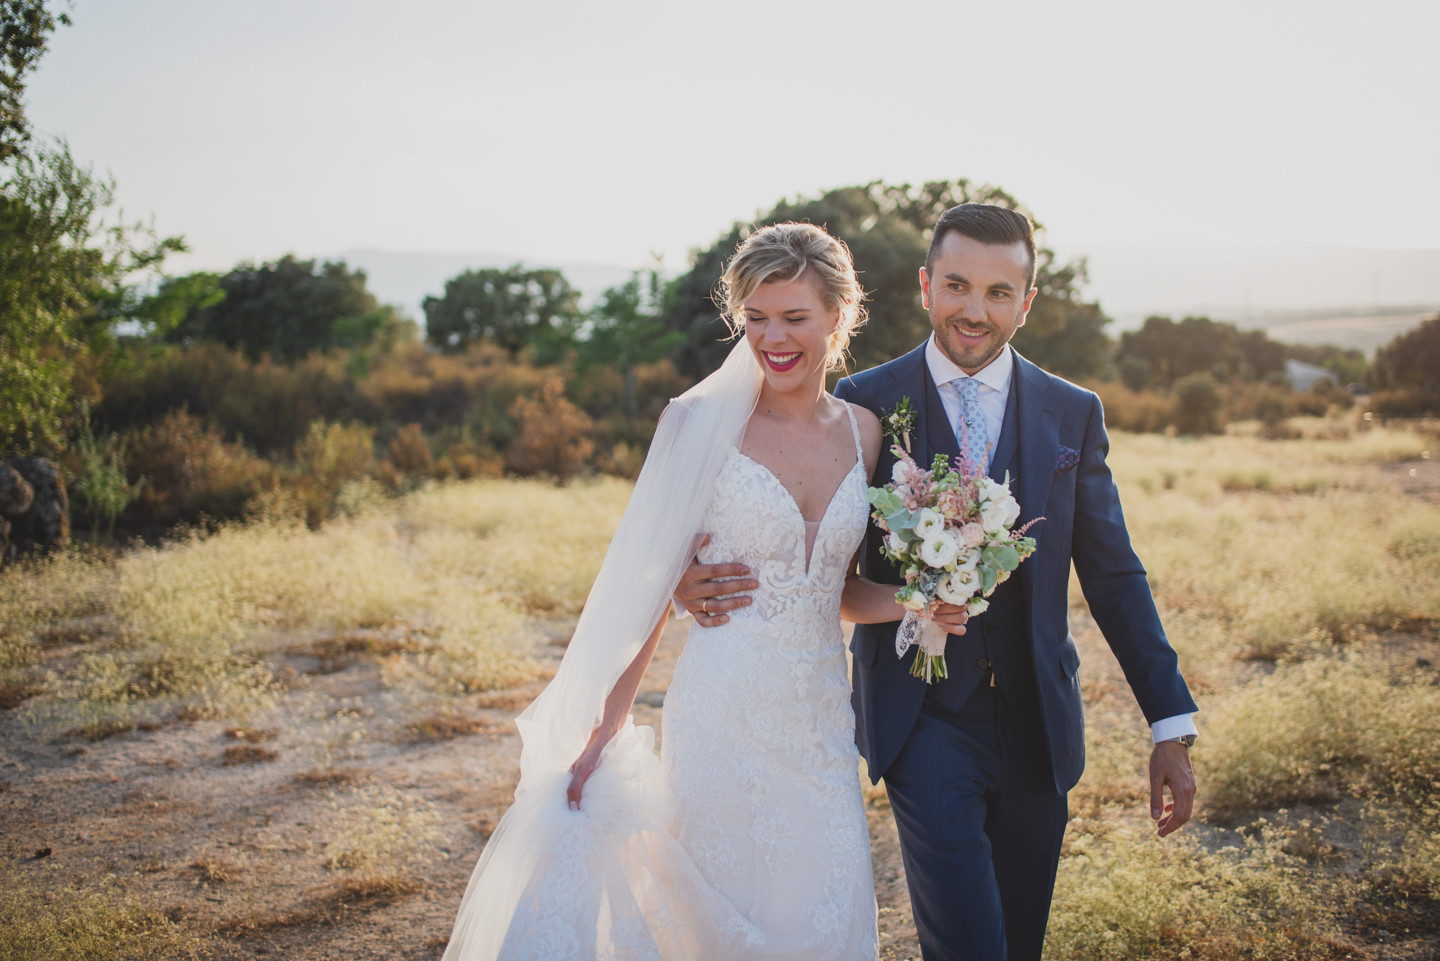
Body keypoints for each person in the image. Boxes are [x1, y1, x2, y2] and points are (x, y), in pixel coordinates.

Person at [677, 203, 1199, 961]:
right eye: (956, 285)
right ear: (925, 286)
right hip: (921, 718)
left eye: (997, 292)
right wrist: (688, 577)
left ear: (1027, 301)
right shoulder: (858, 406)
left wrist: (1168, 723)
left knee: (1018, 943)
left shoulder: (1072, 414)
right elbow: (805, 545)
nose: (973, 310)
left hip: (1038, 728)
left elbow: (1115, 574)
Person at [442, 222, 965, 961]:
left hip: (820, 723)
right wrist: (603, 730)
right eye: (754, 318)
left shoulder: (865, 432)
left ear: (840, 316)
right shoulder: (697, 424)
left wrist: (919, 601)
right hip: (724, 716)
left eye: (793, 317)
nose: (772, 338)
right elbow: (645, 593)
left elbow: (840, 590)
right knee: (726, 919)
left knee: (828, 916)